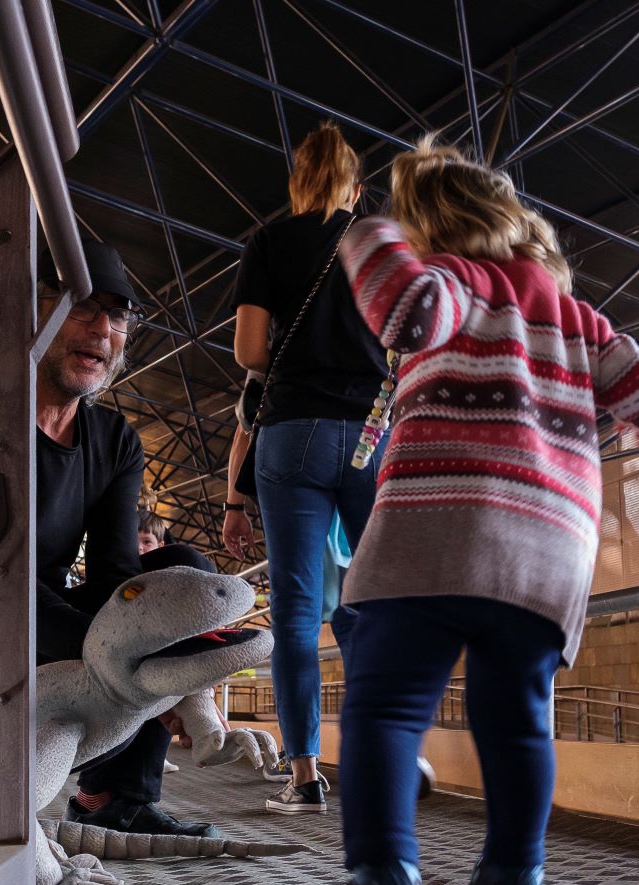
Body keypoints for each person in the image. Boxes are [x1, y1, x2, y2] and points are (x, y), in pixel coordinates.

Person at [333, 137, 639, 885]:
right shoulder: (575, 317)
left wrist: (363, 232)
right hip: (547, 550)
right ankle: (514, 879)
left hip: (435, 529)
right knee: (518, 715)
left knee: (386, 708)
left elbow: (404, 312)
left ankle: (386, 883)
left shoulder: (455, 280)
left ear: (431, 226)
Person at [0, 238, 221, 839]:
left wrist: (176, 653)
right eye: (82, 306)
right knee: (124, 645)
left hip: (34, 640)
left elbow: (117, 579)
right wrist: (135, 661)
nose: (102, 329)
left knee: (180, 573)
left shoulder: (115, 441)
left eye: (118, 315)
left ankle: (114, 799)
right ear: (31, 314)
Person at [223, 121, 391, 817]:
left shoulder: (269, 241)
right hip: (370, 432)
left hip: (292, 431)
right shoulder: (380, 243)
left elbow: (248, 351)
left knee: (295, 611)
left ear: (297, 184)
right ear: (355, 188)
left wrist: (300, 361)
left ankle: (304, 779)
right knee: (372, 599)